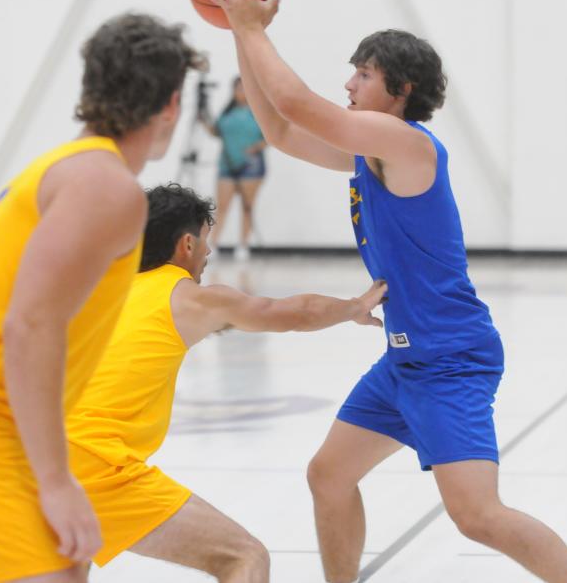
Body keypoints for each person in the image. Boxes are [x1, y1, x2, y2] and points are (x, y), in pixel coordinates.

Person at [202, 0, 567, 583]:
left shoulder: (409, 145)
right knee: (328, 475)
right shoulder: (368, 152)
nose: (350, 83)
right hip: (406, 357)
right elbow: (279, 128)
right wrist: (236, 30)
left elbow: (299, 103)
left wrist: (252, 27)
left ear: (401, 90)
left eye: (364, 74)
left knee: (478, 516)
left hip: (450, 356)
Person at [0, 13, 203, 583]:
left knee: (69, 568)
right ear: (171, 104)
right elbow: (31, 325)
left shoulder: (60, 169)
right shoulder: (107, 187)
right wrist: (55, 479)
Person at [64, 183, 387, 582]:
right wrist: (355, 306)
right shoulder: (191, 299)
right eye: (205, 242)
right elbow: (293, 313)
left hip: (32, 465)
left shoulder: (103, 292)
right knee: (244, 558)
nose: (208, 254)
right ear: (186, 244)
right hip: (98, 467)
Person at [200, 76, 267, 261]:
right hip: (227, 164)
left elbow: (271, 136)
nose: (240, 92)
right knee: (222, 206)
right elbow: (217, 132)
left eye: (244, 88)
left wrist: (255, 148)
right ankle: (213, 243)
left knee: (247, 206)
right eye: (238, 88)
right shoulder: (227, 112)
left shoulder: (258, 112)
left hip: (250, 165)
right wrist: (203, 119)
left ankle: (243, 245)